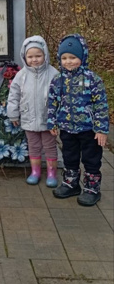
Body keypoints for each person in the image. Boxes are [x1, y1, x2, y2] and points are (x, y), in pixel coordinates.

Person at [47, 34, 109, 206]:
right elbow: (52, 102)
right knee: (69, 157)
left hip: (89, 130)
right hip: (67, 128)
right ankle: (71, 183)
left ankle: (91, 188)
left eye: (73, 57)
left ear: (82, 57)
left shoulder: (93, 80)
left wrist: (102, 129)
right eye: (64, 58)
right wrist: (52, 122)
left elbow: (101, 105)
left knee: (91, 159)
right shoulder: (58, 80)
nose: (69, 62)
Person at [7, 36, 59, 186]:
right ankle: (35, 171)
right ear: (24, 57)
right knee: (34, 146)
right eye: (30, 56)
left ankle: (51, 173)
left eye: (38, 56)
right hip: (28, 117)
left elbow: (60, 97)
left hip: (48, 120)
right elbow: (14, 95)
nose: (34, 60)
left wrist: (56, 118)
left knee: (50, 147)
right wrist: (13, 113)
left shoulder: (53, 74)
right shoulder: (21, 75)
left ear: (45, 55)